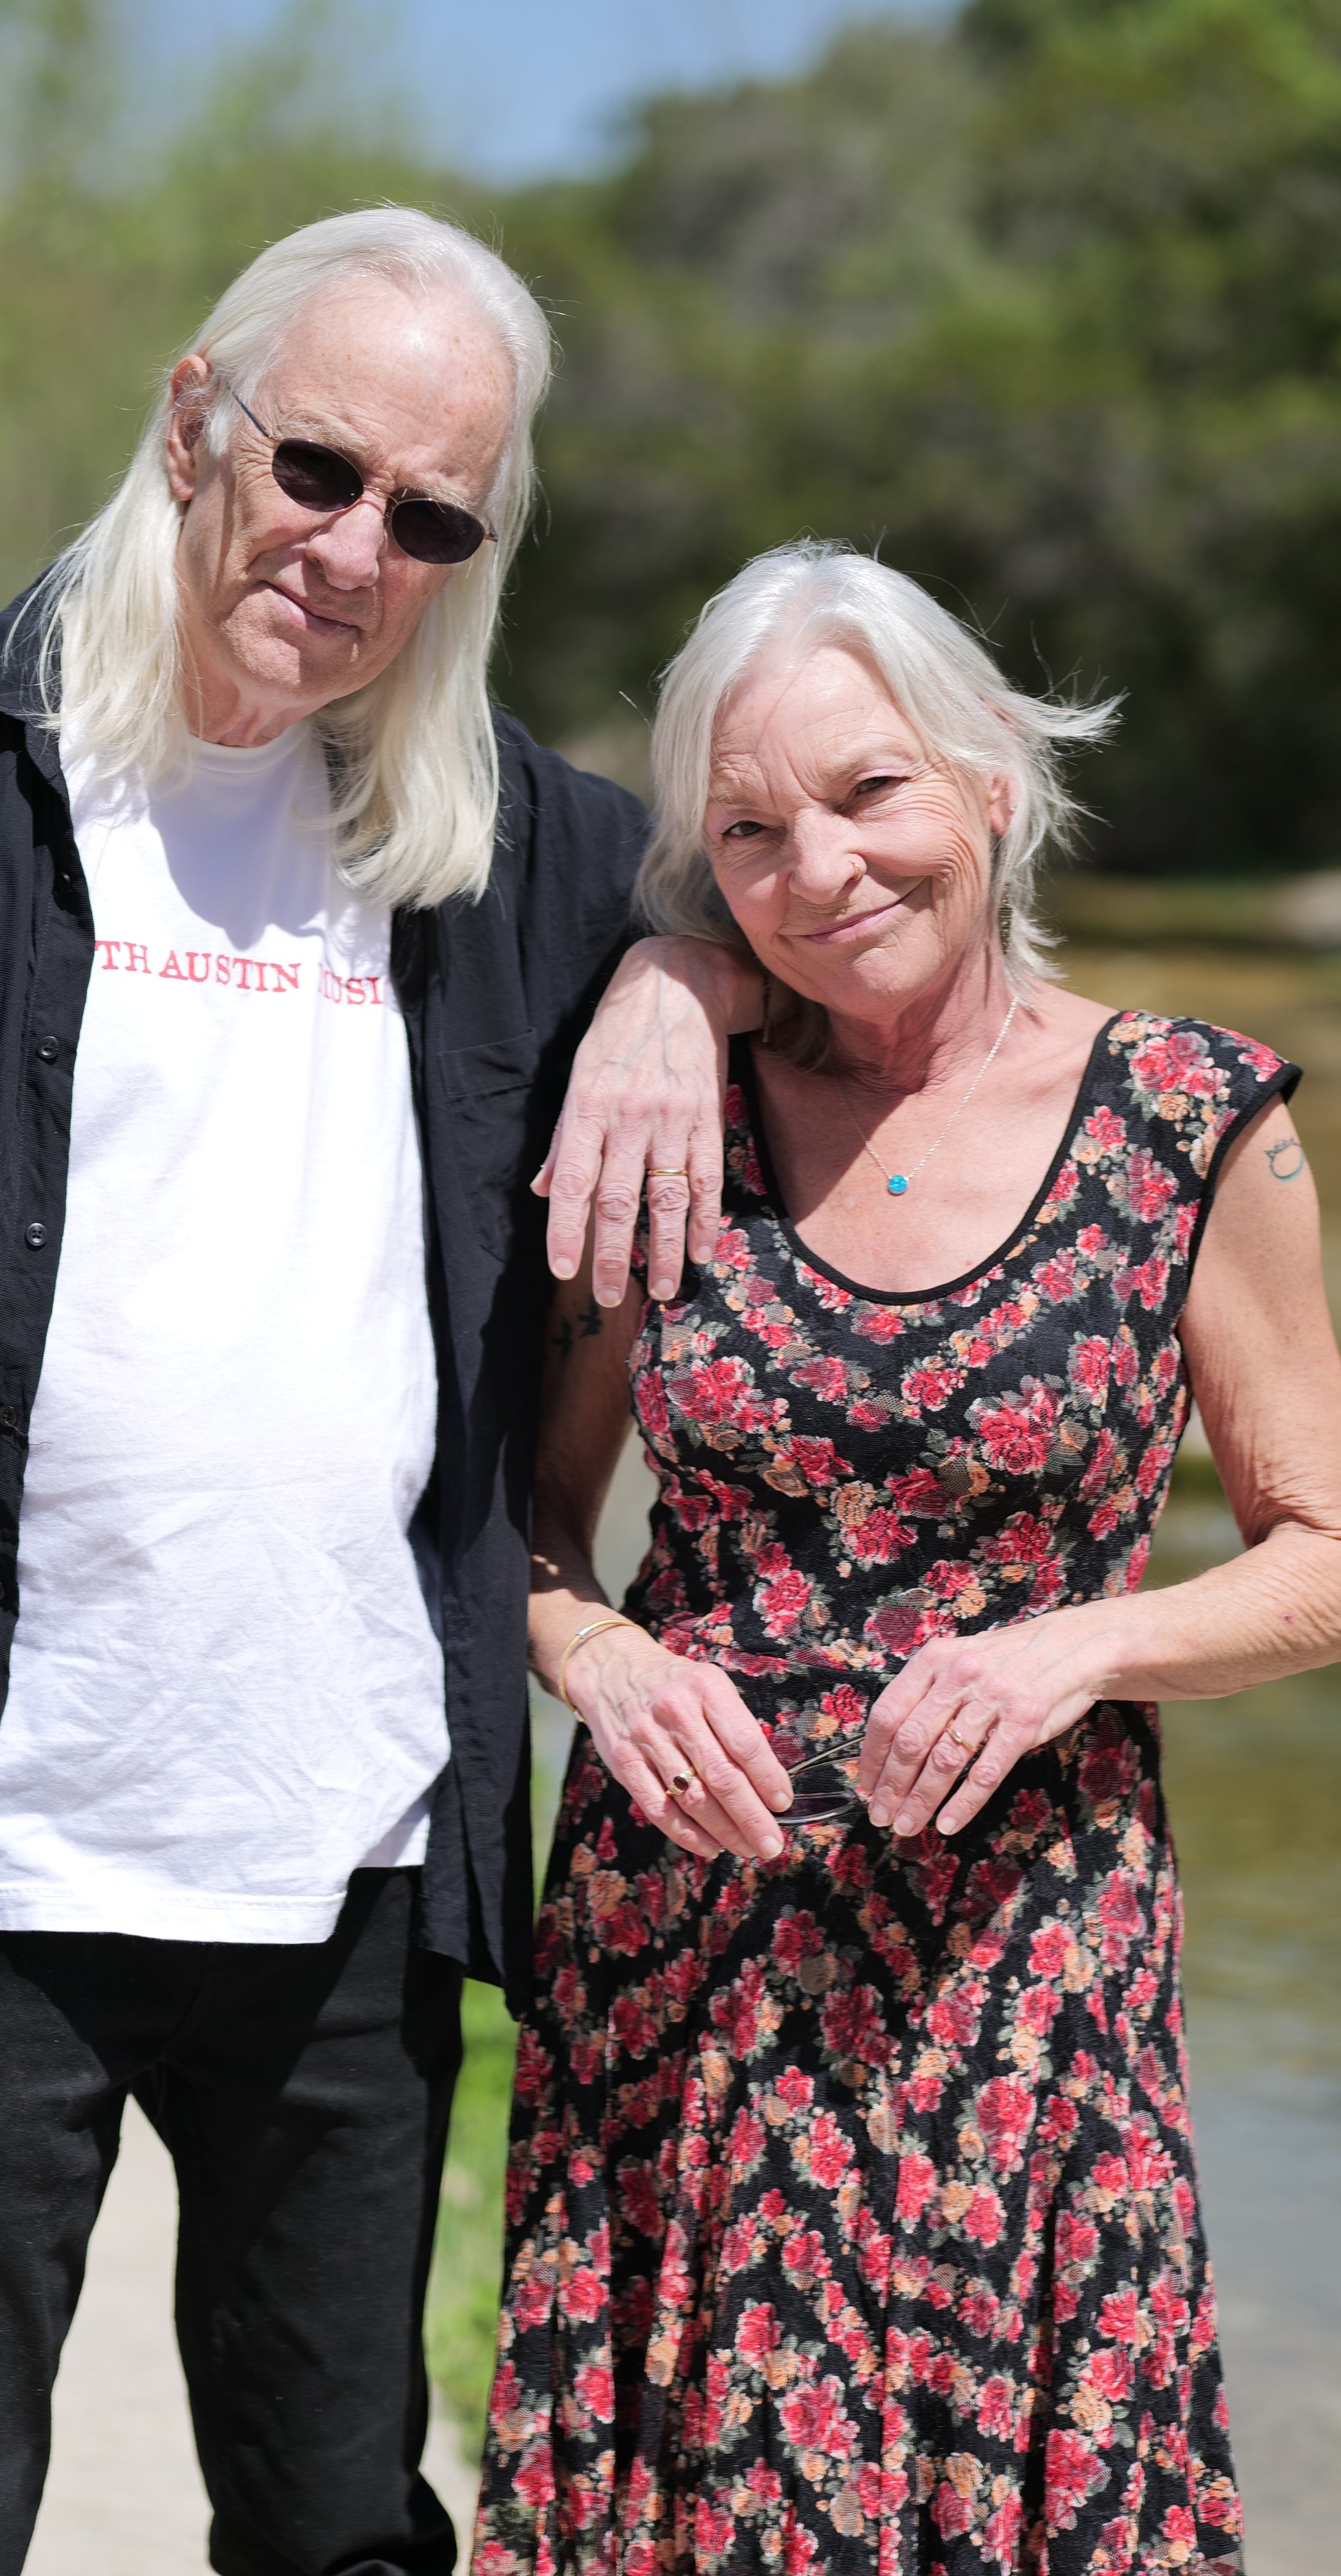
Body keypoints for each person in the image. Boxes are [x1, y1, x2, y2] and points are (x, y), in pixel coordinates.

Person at [0, 211, 760, 2576]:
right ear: (191, 420)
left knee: (346, 2532)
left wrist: (671, 991)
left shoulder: (511, 864)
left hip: (346, 1871)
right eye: (318, 468)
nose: (354, 552)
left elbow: (814, 916)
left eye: (429, 517)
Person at [477, 539, 1341, 2575]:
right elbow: (515, 1517)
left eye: (868, 793)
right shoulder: (662, 1127)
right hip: (680, 1971)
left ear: (989, 788)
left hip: (1026, 1989)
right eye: (750, 832)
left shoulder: (1190, 1122)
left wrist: (1080, 1650)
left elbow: (1319, 1551)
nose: (821, 868)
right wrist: (593, 1653)